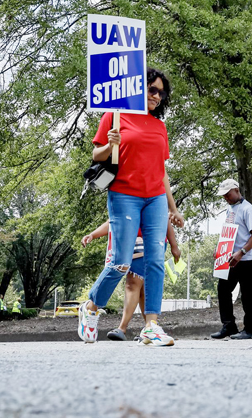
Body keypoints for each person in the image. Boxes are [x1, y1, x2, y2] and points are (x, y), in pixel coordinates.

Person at [78, 68, 184, 346]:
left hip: (155, 199)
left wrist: (172, 207)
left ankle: (151, 326)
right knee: (122, 262)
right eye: (152, 90)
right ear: (138, 89)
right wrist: (111, 143)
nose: (157, 96)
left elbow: (161, 171)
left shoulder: (160, 127)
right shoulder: (115, 115)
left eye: (161, 92)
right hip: (125, 194)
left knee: (154, 262)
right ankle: (91, 307)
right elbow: (96, 154)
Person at [81, 219, 181, 341]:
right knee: (134, 282)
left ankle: (147, 327)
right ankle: (131, 327)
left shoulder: (157, 202)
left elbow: (164, 218)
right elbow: (114, 220)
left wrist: (174, 245)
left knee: (144, 287)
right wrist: (93, 235)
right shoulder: (128, 202)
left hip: (156, 241)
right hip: (134, 240)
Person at [210, 178, 252, 340]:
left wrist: (242, 252)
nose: (226, 197)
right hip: (231, 258)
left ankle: (251, 329)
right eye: (224, 195)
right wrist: (220, 249)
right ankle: (229, 325)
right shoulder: (229, 210)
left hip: (247, 258)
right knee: (223, 289)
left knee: (247, 294)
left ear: (237, 190)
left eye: (228, 194)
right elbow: (229, 232)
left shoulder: (248, 209)